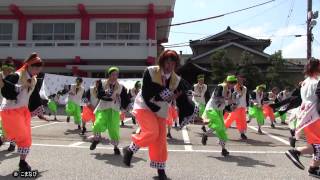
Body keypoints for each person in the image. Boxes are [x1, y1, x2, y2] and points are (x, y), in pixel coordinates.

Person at [122, 50, 198, 180]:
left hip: (161, 110)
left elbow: (184, 97)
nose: (170, 66)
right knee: (152, 132)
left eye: (173, 63)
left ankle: (160, 171)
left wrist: (186, 106)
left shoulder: (176, 79)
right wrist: (166, 95)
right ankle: (130, 150)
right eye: (167, 62)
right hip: (145, 106)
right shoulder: (151, 71)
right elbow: (147, 94)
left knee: (161, 142)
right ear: (162, 62)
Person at [1, 52, 43, 171]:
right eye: (36, 68)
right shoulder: (17, 76)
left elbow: (34, 96)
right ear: (30, 66)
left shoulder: (34, 80)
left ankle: (22, 162)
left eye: (39, 68)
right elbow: (5, 91)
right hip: (11, 110)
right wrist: (17, 89)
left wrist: (39, 112)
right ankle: (22, 162)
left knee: (25, 137)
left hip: (23, 111)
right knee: (19, 135)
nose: (38, 70)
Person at [285, 59, 320, 177]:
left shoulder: (305, 81)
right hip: (314, 114)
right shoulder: (317, 81)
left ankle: (314, 168)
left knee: (315, 144)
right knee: (317, 144)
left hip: (305, 112)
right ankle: (295, 152)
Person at [89, 67, 130, 155]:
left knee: (114, 129)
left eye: (116, 74)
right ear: (109, 75)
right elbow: (99, 95)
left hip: (114, 110)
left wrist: (126, 106)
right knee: (98, 123)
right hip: (102, 108)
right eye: (112, 74)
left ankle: (115, 147)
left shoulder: (121, 86)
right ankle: (96, 140)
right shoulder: (102, 83)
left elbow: (126, 98)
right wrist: (107, 95)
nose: (114, 76)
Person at [202, 75, 238, 156]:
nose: (233, 84)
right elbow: (217, 97)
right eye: (231, 83)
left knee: (222, 130)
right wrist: (229, 100)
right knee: (218, 124)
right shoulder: (221, 86)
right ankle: (205, 134)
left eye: (234, 83)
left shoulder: (230, 92)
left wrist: (232, 107)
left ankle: (223, 149)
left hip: (219, 111)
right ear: (227, 82)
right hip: (212, 109)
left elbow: (227, 107)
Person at [224, 73, 249, 140]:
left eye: (242, 80)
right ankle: (222, 132)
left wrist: (247, 106)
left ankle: (242, 134)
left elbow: (246, 97)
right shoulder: (234, 87)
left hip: (243, 107)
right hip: (235, 106)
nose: (241, 81)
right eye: (239, 80)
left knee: (241, 120)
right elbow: (230, 96)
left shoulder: (245, 88)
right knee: (230, 119)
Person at [0, 58, 17, 152]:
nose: (7, 71)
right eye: (5, 68)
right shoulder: (0, 75)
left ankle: (13, 143)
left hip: (10, 104)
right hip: (1, 104)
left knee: (11, 125)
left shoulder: (14, 77)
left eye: (9, 69)